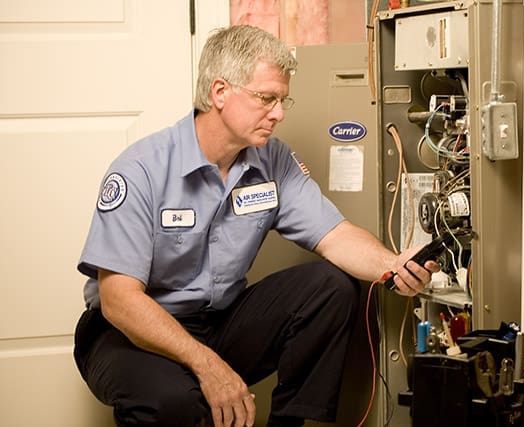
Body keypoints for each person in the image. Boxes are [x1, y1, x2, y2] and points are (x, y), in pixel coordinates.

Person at [73, 24, 440, 427]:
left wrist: (393, 266)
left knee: (329, 286)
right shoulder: (141, 170)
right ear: (219, 92)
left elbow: (335, 237)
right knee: (173, 402)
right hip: (130, 332)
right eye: (267, 98)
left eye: (283, 100)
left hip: (216, 320)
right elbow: (119, 301)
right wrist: (208, 365)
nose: (279, 113)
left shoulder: (273, 160)